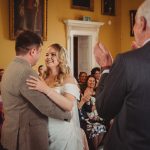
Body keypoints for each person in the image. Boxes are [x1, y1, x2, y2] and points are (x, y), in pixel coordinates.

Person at [94, 0, 150, 150]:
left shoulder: (127, 62)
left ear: (142, 23)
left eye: (134, 23)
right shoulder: (132, 62)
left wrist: (106, 68)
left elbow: (104, 109)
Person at [0, 31, 71, 150]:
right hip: (25, 138)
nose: (41, 57)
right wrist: (68, 115)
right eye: (40, 52)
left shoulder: (10, 68)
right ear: (32, 51)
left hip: (10, 134)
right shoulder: (26, 72)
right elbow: (45, 106)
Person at [26, 43, 87, 150]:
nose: (48, 57)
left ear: (61, 58)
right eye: (47, 54)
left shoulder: (68, 79)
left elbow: (69, 106)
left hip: (61, 131)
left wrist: (45, 89)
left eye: (53, 54)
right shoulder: (42, 78)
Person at [78, 75, 106, 150]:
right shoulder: (82, 92)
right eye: (90, 80)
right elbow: (83, 107)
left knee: (102, 128)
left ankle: (96, 148)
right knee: (95, 128)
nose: (92, 82)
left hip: (96, 116)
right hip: (87, 117)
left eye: (93, 81)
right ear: (87, 81)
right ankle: (95, 148)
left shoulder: (97, 92)